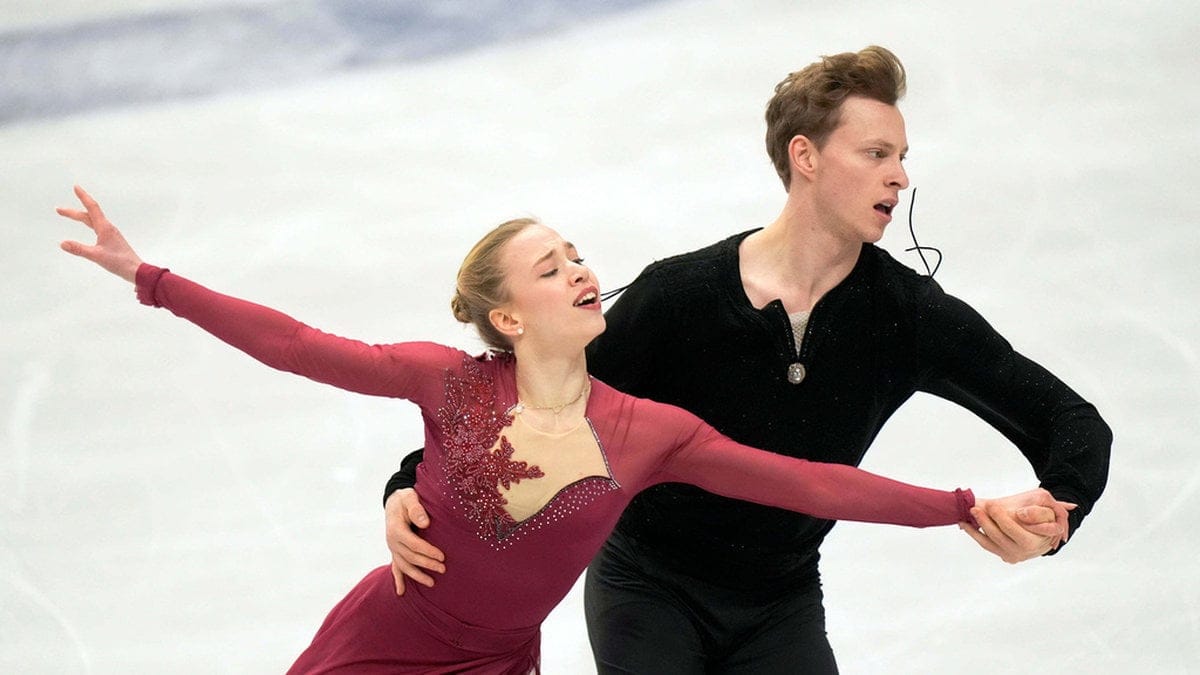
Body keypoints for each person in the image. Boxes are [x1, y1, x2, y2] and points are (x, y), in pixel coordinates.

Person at [56, 185, 1071, 674]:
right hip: (386, 646)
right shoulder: (447, 383)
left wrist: (959, 504)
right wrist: (150, 277)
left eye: (578, 256)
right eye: (552, 268)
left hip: (500, 662)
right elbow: (294, 344)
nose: (582, 271)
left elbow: (808, 482)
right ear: (507, 317)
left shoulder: (648, 431)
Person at [381, 45, 1112, 673]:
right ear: (806, 156)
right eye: (875, 154)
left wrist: (1055, 515)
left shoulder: (906, 316)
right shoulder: (680, 296)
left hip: (780, 602)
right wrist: (407, 483)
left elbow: (1071, 420)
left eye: (901, 157)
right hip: (648, 588)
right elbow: (533, 406)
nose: (900, 177)